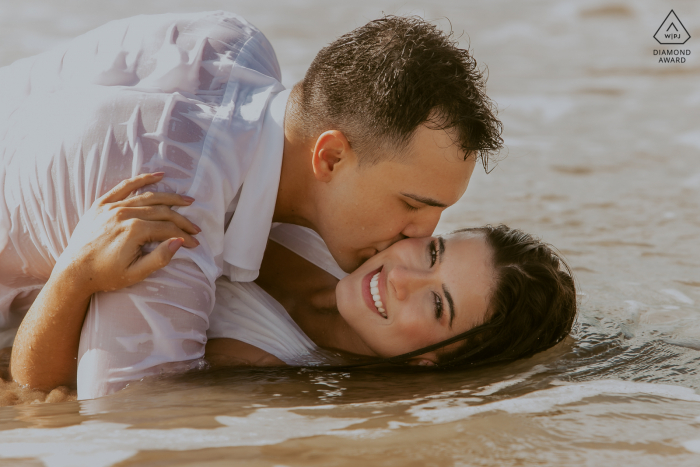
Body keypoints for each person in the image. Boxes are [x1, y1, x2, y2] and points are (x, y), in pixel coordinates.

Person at [0, 11, 502, 398]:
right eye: (413, 203)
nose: (422, 233)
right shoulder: (174, 213)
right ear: (329, 156)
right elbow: (124, 422)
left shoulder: (231, 40)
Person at [9, 175, 577, 393]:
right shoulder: (334, 236)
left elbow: (46, 390)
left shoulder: (261, 366)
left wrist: (75, 275)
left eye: (436, 303)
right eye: (433, 252)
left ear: (437, 358)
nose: (401, 276)